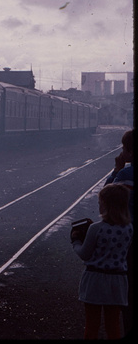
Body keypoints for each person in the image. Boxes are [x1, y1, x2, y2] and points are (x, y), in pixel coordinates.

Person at [71, 183, 132, 339]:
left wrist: (76, 241)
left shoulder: (96, 228)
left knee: (92, 325)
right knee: (113, 326)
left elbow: (84, 253)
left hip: (95, 280)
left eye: (100, 203)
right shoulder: (129, 228)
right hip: (117, 282)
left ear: (106, 205)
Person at [104, 129, 133, 336]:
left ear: (129, 153)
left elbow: (107, 197)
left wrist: (117, 169)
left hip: (129, 240)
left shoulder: (125, 175)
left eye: (124, 148)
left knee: (128, 293)